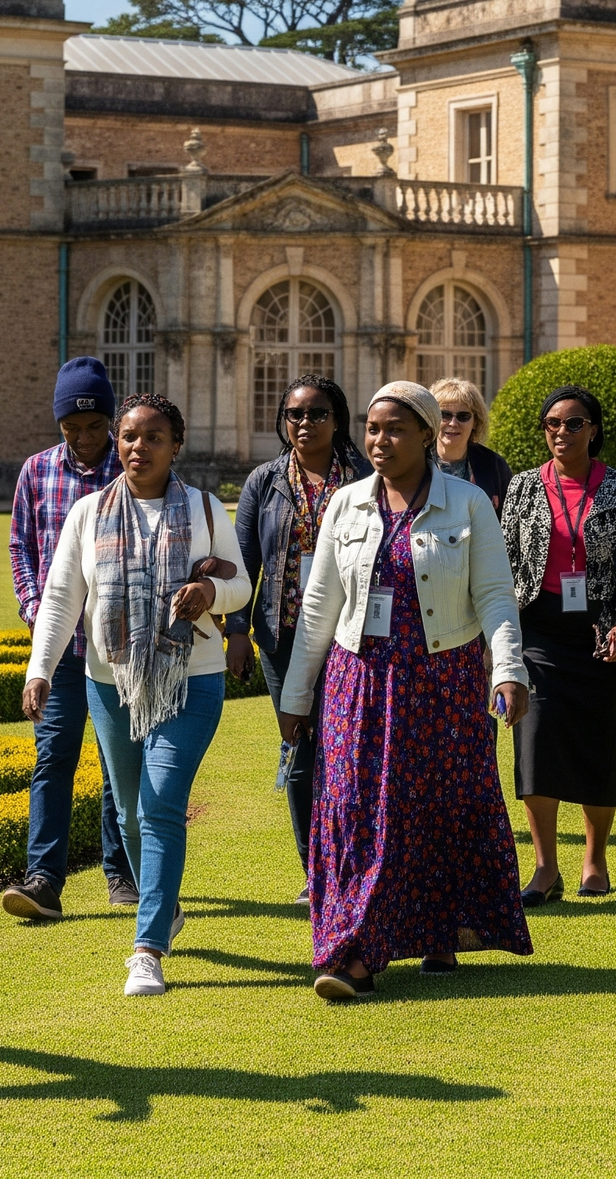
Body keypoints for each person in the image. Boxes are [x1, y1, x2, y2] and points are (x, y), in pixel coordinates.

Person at [277, 380, 532, 999]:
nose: (380, 440)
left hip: (443, 680)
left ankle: (436, 930)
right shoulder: (346, 505)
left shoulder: (468, 503)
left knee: (436, 808)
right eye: (372, 428)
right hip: (357, 682)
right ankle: (353, 953)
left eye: (394, 429)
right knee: (355, 810)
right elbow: (319, 605)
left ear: (426, 434)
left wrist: (508, 669)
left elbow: (495, 595)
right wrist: (296, 696)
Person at [25, 393, 250, 996]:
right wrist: (40, 670)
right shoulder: (88, 512)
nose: (138, 447)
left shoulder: (205, 509)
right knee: (128, 812)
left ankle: (147, 949)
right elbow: (61, 598)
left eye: (153, 437)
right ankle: (164, 903)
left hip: (191, 676)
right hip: (111, 681)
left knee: (160, 802)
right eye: (129, 436)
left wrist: (210, 593)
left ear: (176, 446)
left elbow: (240, 585)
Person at [0, 356, 137, 921]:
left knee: (116, 764)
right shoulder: (36, 471)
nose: (83, 438)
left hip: (117, 650)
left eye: (94, 426)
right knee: (53, 758)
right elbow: (20, 547)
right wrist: (35, 610)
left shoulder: (130, 470)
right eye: (71, 427)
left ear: (111, 420)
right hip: (57, 651)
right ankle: (43, 880)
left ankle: (121, 872)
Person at [502, 385, 616, 902]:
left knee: (598, 745)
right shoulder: (523, 487)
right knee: (535, 741)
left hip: (602, 630)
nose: (561, 432)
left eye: (574, 423)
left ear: (594, 429)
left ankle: (594, 859)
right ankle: (545, 868)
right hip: (538, 630)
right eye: (552, 423)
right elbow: (505, 563)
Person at [226, 374, 370, 901]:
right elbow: (243, 562)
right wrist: (237, 631)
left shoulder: (364, 477)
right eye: (295, 414)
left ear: (338, 420)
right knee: (300, 747)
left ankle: (355, 863)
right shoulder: (264, 482)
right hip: (283, 637)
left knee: (351, 749)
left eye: (317, 413)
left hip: (352, 638)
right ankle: (315, 872)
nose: (305, 423)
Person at [431, 377, 513, 516]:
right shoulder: (415, 462)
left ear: (475, 422)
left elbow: (508, 520)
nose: (453, 423)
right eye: (445, 415)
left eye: (463, 416)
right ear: (433, 418)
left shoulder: (495, 465)